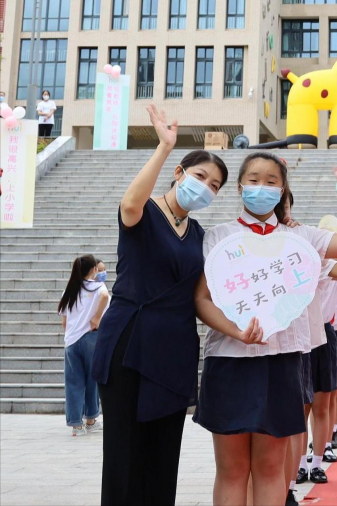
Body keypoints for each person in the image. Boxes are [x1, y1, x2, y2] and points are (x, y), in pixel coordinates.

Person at [192, 150, 337, 506]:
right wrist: (236, 331)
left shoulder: (302, 239)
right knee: (231, 469)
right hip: (229, 362)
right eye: (253, 180)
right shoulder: (218, 237)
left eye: (271, 182)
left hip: (282, 362)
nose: (261, 188)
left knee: (272, 467)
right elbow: (202, 299)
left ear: (283, 189)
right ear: (240, 187)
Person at [92, 105, 231, 506]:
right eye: (201, 176)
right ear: (180, 173)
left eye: (216, 185)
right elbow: (129, 206)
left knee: (163, 453)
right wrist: (164, 146)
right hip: (129, 344)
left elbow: (201, 295)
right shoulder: (146, 211)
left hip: (174, 351)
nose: (206, 187)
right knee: (124, 452)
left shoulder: (199, 232)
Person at [59, 254, 110, 437]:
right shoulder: (98, 287)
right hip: (91, 338)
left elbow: (64, 322)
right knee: (92, 380)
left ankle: (76, 425)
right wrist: (96, 318)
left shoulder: (70, 289)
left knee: (73, 382)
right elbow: (105, 296)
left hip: (71, 341)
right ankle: (90, 420)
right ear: (94, 269)